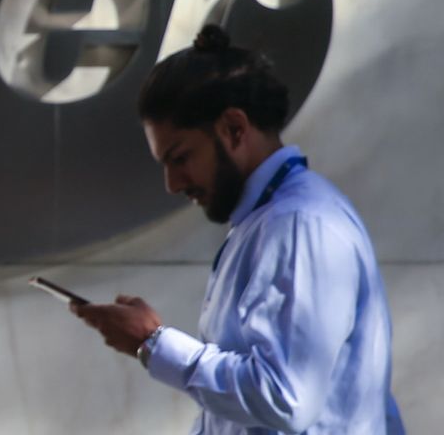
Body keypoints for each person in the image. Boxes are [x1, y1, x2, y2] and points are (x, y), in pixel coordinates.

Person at [72, 25, 404, 434]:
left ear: (234, 128)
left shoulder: (298, 224)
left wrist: (153, 343)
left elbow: (285, 397)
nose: (173, 184)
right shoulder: (271, 221)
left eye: (180, 157)